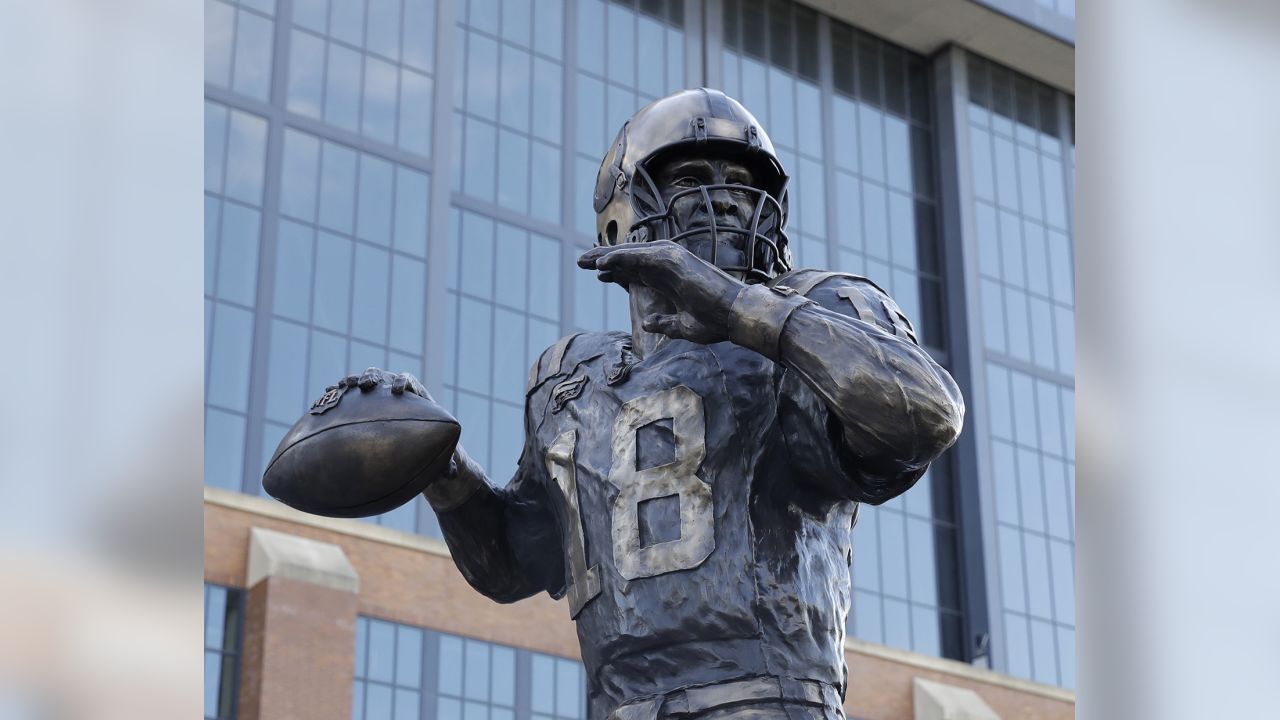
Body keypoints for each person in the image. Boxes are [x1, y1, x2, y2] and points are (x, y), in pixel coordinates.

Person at [345, 88, 964, 720]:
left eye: (740, 180)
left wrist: (741, 312)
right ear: (623, 211)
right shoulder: (569, 376)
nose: (724, 195)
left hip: (768, 700)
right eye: (693, 177)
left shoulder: (819, 314)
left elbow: (923, 413)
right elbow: (515, 560)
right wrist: (442, 471)